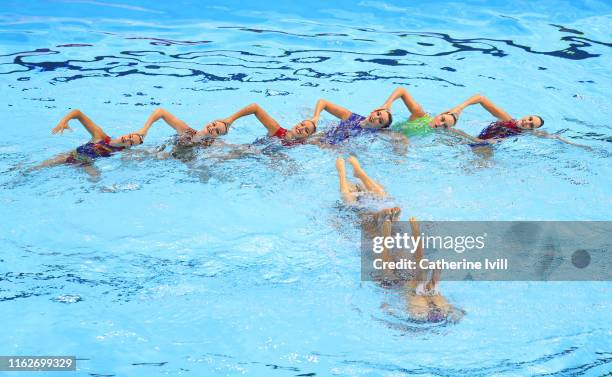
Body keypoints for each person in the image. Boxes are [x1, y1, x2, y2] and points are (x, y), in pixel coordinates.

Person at [444, 94, 589, 147]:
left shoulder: (526, 132)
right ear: (528, 114)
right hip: (476, 141)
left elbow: (554, 136)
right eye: (530, 119)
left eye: (531, 125)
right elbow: (480, 98)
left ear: (531, 129)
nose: (527, 122)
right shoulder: (506, 119)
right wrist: (459, 108)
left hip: (485, 147)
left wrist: (576, 144)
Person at [33, 109, 147, 176]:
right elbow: (77, 113)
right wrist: (64, 121)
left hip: (87, 164)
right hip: (71, 156)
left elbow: (144, 154)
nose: (128, 140)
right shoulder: (100, 135)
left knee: (97, 179)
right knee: (36, 167)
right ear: (127, 133)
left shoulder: (123, 151)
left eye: (131, 143)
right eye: (130, 136)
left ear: (129, 146)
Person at [211, 103, 316, 147]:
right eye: (302, 124)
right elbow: (255, 107)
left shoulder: (303, 142)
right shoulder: (276, 130)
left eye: (306, 130)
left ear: (307, 136)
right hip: (251, 150)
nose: (301, 128)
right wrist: (230, 120)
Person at [374, 86, 458, 138]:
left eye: (444, 126)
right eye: (442, 119)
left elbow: (457, 133)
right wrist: (387, 104)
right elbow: (402, 91)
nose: (440, 124)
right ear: (440, 114)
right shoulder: (420, 114)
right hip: (386, 131)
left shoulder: (437, 132)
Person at [309, 97, 396, 145]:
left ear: (379, 127)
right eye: (378, 114)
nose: (376, 118)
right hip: (325, 135)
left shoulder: (374, 134)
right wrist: (316, 117)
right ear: (373, 111)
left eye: (380, 121)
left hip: (332, 149)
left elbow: (400, 138)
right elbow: (323, 102)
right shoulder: (350, 116)